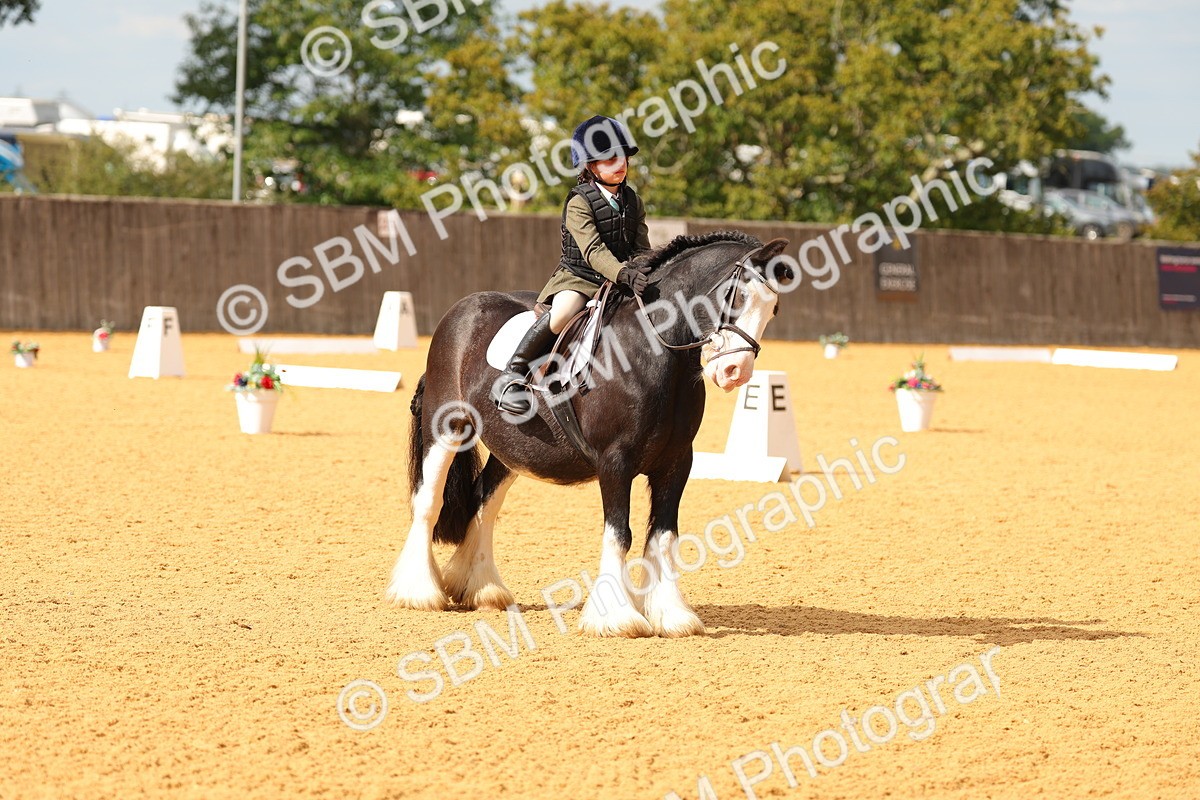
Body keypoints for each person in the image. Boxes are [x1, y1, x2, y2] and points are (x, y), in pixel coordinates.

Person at [492, 115, 654, 415]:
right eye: (608, 159)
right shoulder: (579, 202)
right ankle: (512, 376)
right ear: (591, 166)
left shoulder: (634, 201)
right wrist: (622, 273)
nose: (619, 164)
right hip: (580, 279)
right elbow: (592, 251)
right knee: (564, 312)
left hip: (622, 278)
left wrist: (645, 268)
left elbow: (641, 247)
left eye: (621, 157)